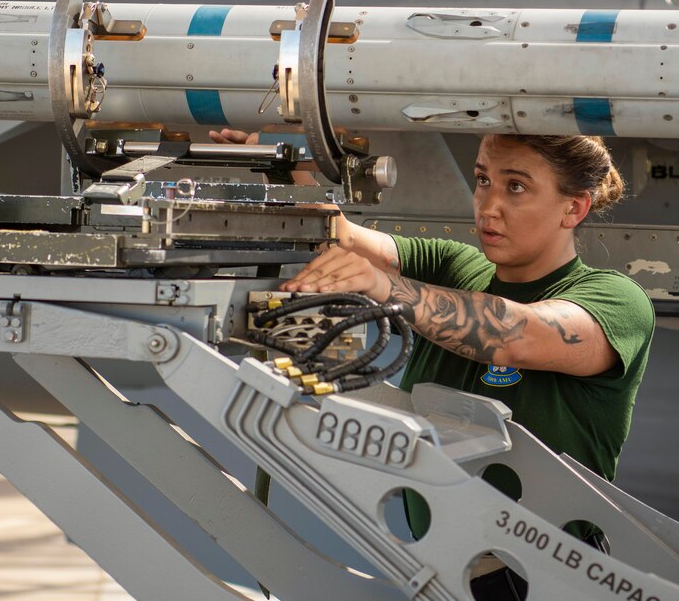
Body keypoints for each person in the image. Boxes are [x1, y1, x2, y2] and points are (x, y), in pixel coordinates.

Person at [214, 129, 654, 599]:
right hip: (439, 570)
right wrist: (284, 161)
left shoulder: (615, 299)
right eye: (483, 180)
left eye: (517, 187)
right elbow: (339, 235)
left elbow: (515, 335)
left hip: (546, 579)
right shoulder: (456, 267)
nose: (489, 205)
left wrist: (386, 289)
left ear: (575, 208)